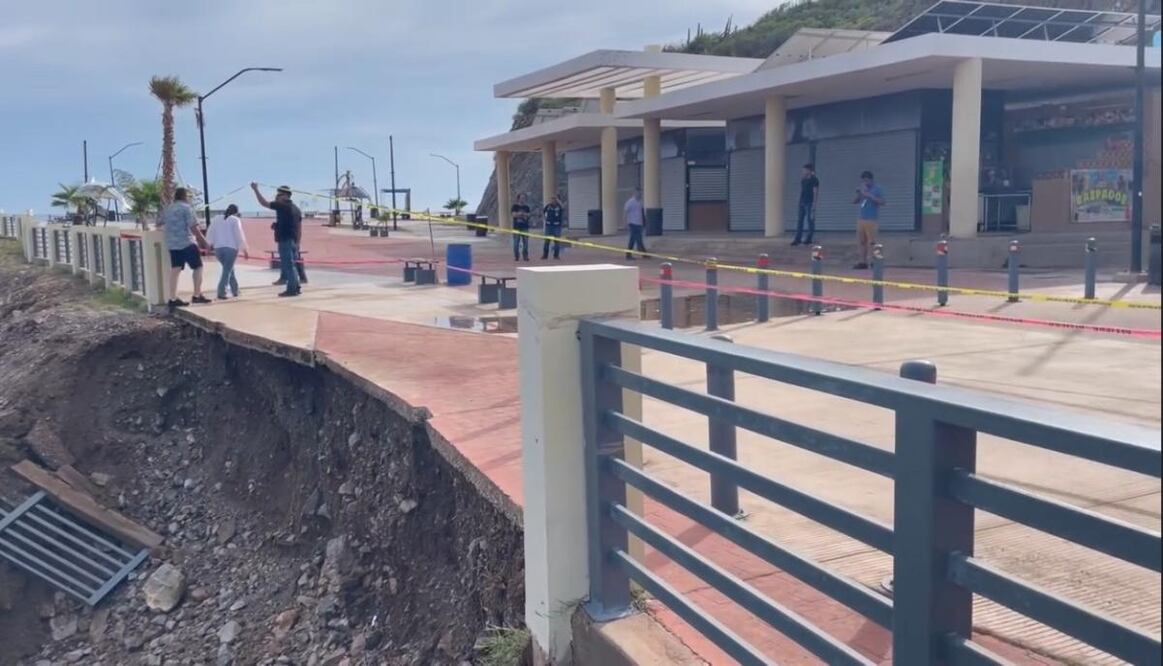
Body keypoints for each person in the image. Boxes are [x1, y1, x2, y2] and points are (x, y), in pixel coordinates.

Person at [158, 187, 210, 311]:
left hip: (172, 244)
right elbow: (194, 227)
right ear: (185, 196)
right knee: (198, 267)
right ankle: (197, 295)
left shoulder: (168, 209)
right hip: (186, 243)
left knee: (175, 269)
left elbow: (159, 223)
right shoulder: (187, 208)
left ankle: (172, 298)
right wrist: (204, 242)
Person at [251, 183, 302, 297]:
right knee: (291, 264)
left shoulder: (282, 205)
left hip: (285, 240)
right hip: (293, 241)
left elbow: (263, 203)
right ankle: (296, 286)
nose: (277, 197)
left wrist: (255, 190)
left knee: (288, 265)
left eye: (279, 195)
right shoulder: (296, 209)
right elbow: (299, 228)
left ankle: (292, 289)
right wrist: (298, 242)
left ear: (285, 195)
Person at [206, 204, 249, 300]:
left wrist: (209, 245)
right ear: (236, 212)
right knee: (227, 270)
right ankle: (221, 292)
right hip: (231, 248)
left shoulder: (216, 219)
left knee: (229, 269)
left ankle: (235, 290)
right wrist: (244, 249)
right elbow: (239, 235)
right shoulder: (235, 220)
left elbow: (210, 232)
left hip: (218, 249)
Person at [852, 170, 886, 269]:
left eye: (867, 180)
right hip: (861, 218)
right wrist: (859, 194)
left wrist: (869, 195)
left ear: (871, 180)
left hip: (872, 219)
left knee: (872, 242)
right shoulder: (862, 189)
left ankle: (874, 260)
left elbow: (882, 202)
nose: (865, 183)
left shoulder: (877, 189)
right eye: (863, 181)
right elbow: (854, 201)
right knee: (861, 241)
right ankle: (862, 261)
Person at [792, 163, 819, 246]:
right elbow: (802, 191)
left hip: (809, 202)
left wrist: (814, 203)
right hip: (802, 202)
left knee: (810, 220)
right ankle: (797, 239)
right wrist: (799, 201)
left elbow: (815, 192)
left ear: (809, 170)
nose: (803, 171)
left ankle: (809, 239)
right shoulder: (803, 180)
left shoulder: (814, 180)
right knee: (800, 221)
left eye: (804, 170)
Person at [541, 194, 565, 260]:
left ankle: (556, 255)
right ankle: (545, 255)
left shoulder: (559, 206)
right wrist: (544, 218)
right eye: (552, 199)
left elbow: (563, 208)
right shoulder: (548, 206)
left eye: (555, 199)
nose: (553, 200)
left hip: (557, 226)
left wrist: (558, 201)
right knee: (546, 241)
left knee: (557, 242)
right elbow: (543, 211)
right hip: (549, 226)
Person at [624, 188, 646, 259]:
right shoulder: (630, 202)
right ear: (635, 193)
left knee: (636, 239)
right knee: (635, 239)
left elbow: (641, 213)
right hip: (632, 223)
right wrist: (625, 223)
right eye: (638, 193)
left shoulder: (640, 202)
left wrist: (643, 222)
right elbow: (625, 212)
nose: (640, 194)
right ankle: (642, 253)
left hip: (639, 223)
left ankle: (642, 253)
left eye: (640, 193)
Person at [511, 193, 531, 261]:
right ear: (518, 199)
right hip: (516, 228)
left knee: (526, 243)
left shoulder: (527, 207)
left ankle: (525, 256)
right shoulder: (515, 206)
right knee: (516, 244)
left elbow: (528, 215)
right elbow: (514, 215)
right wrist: (521, 215)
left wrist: (520, 214)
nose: (522, 199)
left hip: (525, 227)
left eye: (524, 198)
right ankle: (516, 256)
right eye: (521, 198)